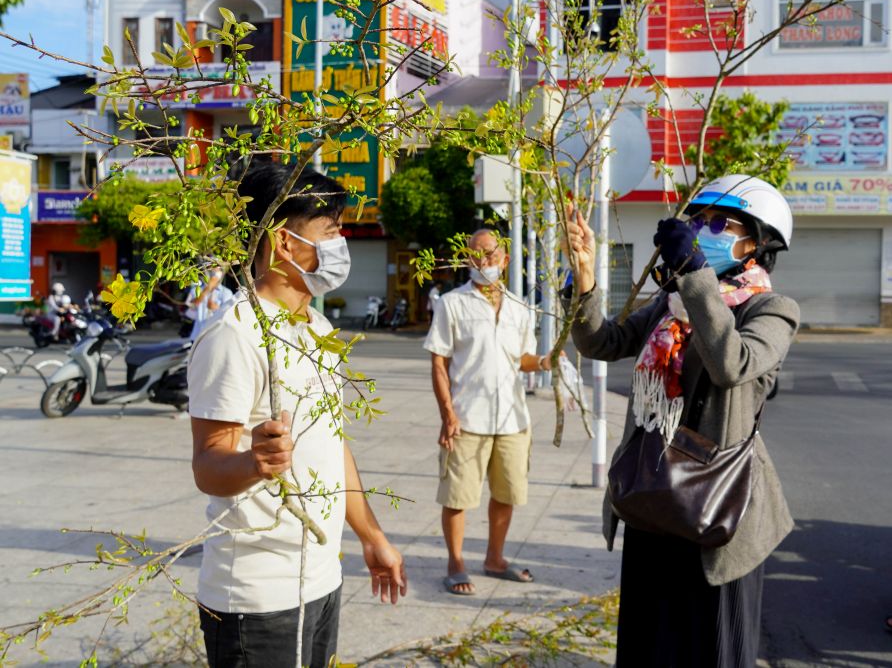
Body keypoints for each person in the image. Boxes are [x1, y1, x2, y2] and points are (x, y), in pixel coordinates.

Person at [564, 174, 799, 667]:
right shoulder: (669, 304)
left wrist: (695, 274)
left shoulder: (772, 310)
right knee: (648, 645)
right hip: (653, 497)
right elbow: (602, 343)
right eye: (696, 222)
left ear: (756, 242)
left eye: (717, 224)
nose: (700, 232)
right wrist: (584, 277)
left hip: (719, 513)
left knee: (712, 649)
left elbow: (732, 363)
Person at [188, 163, 407, 668]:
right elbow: (208, 466)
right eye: (330, 231)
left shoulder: (317, 327)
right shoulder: (234, 334)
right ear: (283, 242)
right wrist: (254, 463)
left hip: (322, 578)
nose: (340, 243)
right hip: (259, 598)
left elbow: (332, 443)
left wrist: (372, 537)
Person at [424, 229, 551, 596]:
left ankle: (495, 558)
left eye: (491, 254)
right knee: (457, 496)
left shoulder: (519, 306)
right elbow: (439, 362)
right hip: (467, 418)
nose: (484, 261)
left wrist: (546, 361)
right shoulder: (451, 304)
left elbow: (522, 359)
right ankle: (456, 563)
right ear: (467, 259)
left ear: (505, 260)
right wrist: (448, 414)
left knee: (507, 492)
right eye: (476, 254)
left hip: (513, 418)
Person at [185, 265, 233, 339]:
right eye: (210, 269)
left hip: (215, 337)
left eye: (217, 269)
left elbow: (229, 315)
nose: (213, 272)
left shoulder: (227, 292)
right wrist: (208, 288)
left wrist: (217, 308)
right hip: (197, 335)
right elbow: (191, 306)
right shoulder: (196, 290)